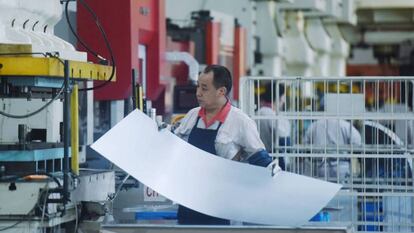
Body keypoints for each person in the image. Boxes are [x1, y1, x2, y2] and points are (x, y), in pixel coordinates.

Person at [173, 65, 276, 225]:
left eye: (204, 88)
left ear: (221, 91)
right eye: (198, 86)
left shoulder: (240, 121)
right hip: (189, 202)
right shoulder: (192, 116)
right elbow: (174, 147)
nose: (198, 93)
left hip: (223, 207)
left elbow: (261, 161)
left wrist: (280, 185)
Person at [257, 82, 291, 170]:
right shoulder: (269, 113)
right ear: (277, 97)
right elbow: (285, 142)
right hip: (272, 158)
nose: (284, 100)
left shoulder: (261, 112)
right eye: (283, 96)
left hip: (261, 158)